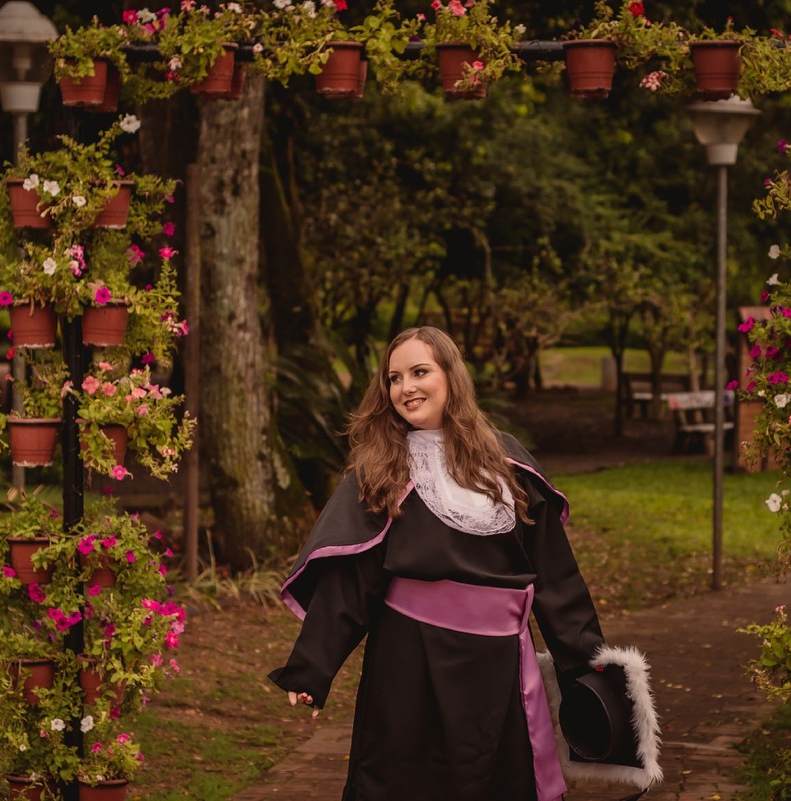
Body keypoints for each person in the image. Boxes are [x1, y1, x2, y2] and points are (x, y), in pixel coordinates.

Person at [269, 326, 659, 801]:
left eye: (419, 372)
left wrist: (588, 666)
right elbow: (350, 581)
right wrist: (312, 668)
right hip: (409, 662)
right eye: (394, 378)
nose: (406, 387)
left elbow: (556, 577)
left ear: (451, 375)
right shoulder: (384, 469)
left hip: (500, 667)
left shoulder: (509, 464)